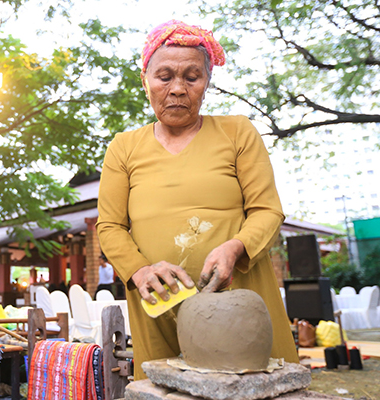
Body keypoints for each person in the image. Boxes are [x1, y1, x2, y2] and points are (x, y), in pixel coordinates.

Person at [96, 20, 299, 380]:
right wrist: (140, 270)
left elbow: (267, 210)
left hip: (239, 300)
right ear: (145, 81)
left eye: (192, 77)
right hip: (159, 306)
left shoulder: (237, 131)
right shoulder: (123, 147)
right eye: (164, 76)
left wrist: (235, 248)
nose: (177, 88)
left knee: (252, 383)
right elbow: (110, 226)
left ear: (207, 83)